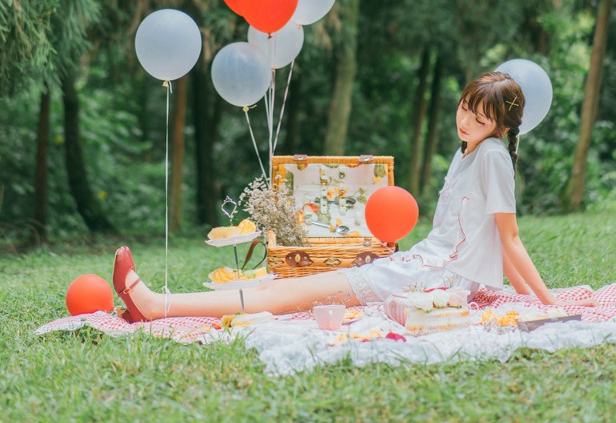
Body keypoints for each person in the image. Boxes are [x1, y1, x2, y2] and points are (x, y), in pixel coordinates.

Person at [113, 71, 590, 322]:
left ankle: (157, 306)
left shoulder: (492, 158)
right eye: (465, 108)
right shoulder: (466, 152)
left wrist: (548, 305)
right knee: (281, 290)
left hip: (434, 280)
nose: (465, 121)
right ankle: (162, 303)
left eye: (480, 118)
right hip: (423, 266)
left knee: (289, 293)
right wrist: (526, 298)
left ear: (502, 127)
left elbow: (509, 241)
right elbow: (490, 241)